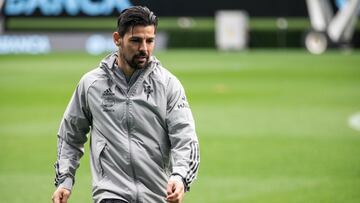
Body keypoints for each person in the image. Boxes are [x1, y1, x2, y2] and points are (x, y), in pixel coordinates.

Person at [51, 6, 200, 203]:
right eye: (136, 40)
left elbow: (185, 138)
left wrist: (179, 177)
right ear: (117, 39)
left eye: (150, 41)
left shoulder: (168, 84)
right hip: (110, 193)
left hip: (157, 195)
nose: (144, 49)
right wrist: (65, 180)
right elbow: (70, 136)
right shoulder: (91, 84)